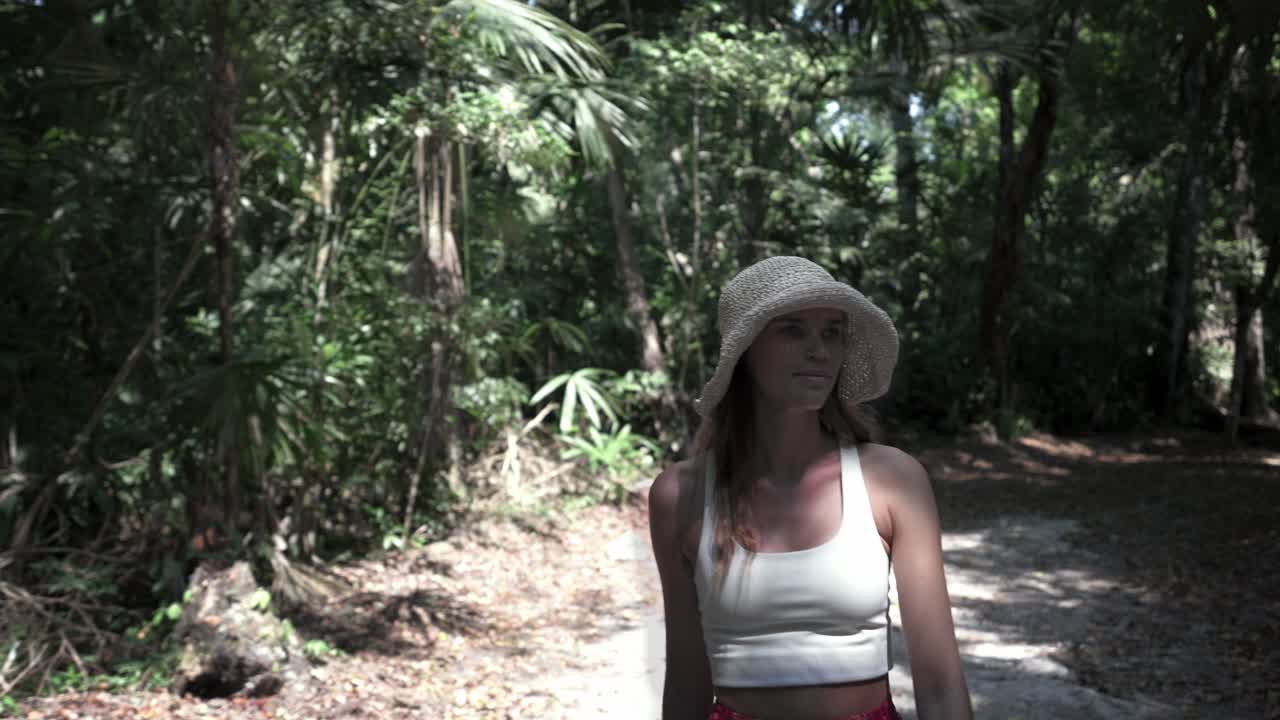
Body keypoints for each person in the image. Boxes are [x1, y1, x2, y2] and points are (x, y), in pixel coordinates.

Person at [648, 256, 972, 720]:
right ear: (745, 351)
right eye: (793, 330)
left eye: (832, 332)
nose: (820, 350)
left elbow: (940, 685)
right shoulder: (680, 495)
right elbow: (685, 682)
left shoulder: (893, 480)